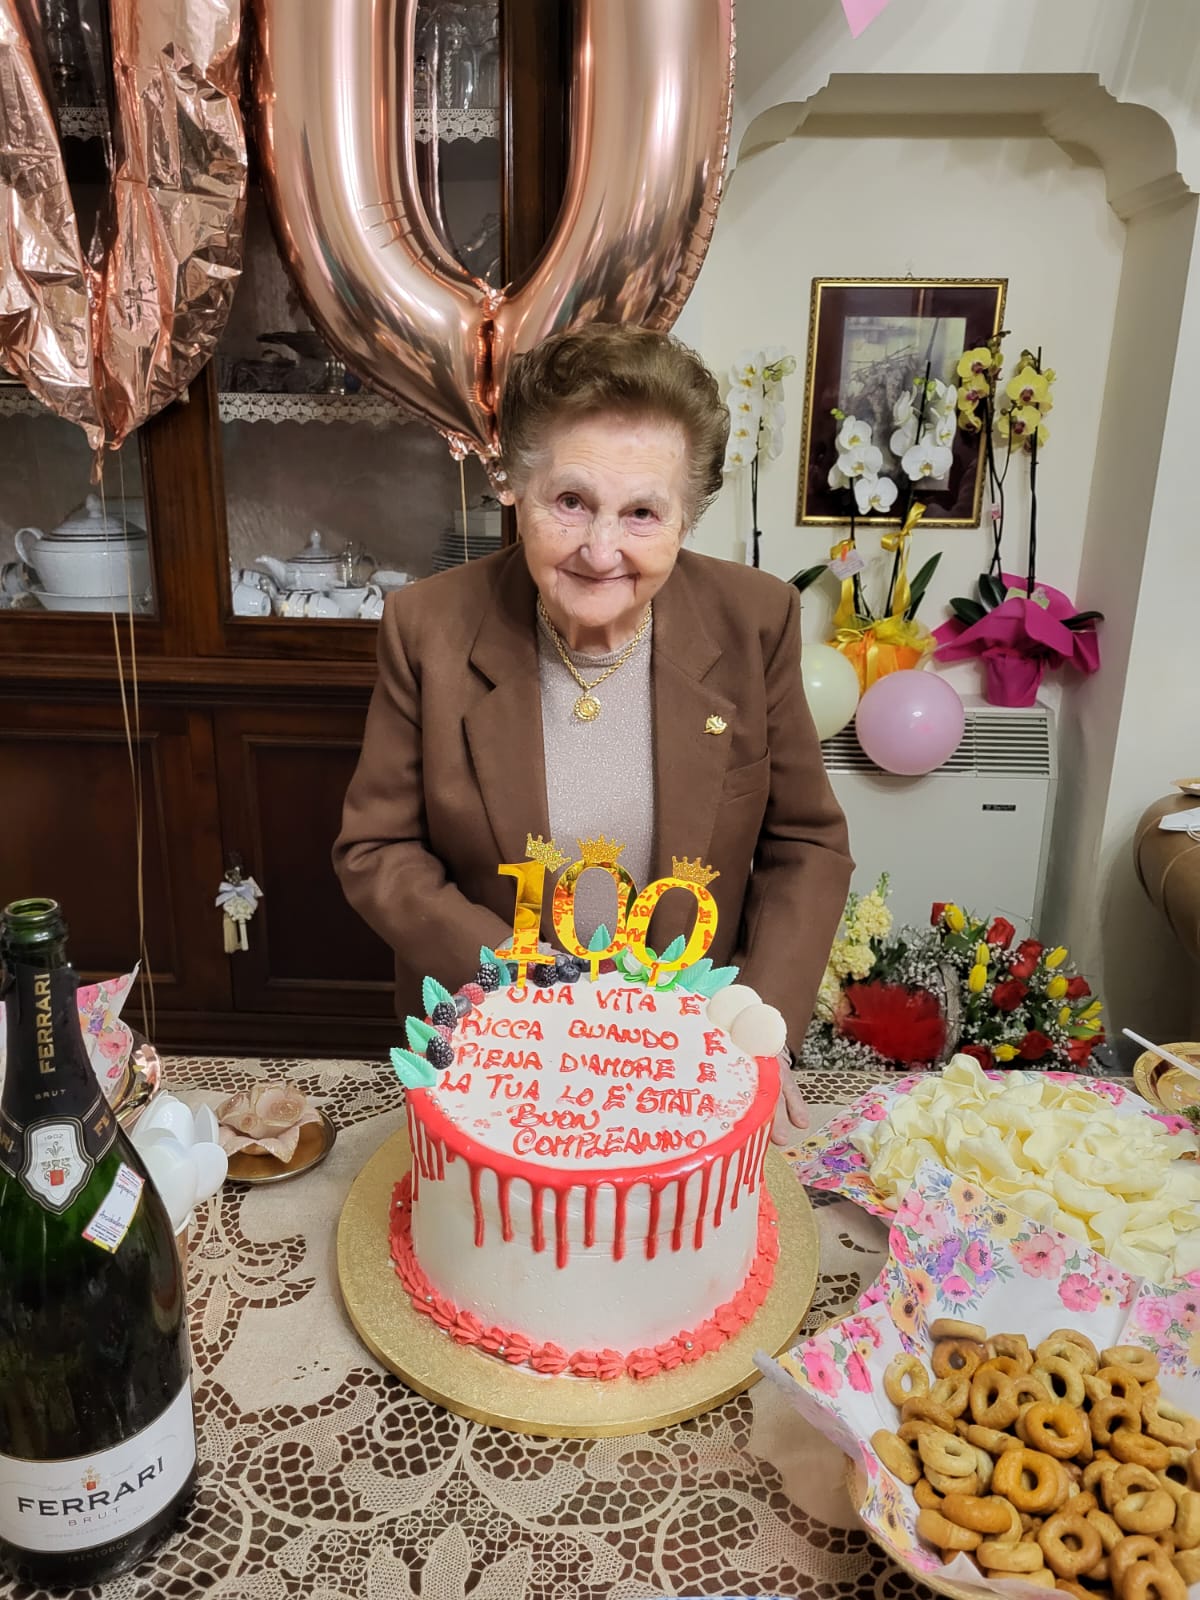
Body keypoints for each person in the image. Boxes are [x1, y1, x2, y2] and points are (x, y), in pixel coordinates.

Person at [334, 323, 853, 1140]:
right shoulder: (428, 627)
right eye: (570, 502)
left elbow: (806, 844)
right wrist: (519, 982)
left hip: (690, 1051)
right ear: (516, 484)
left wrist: (759, 1023)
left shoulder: (755, 621)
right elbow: (377, 849)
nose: (600, 550)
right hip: (499, 1047)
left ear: (688, 516)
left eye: (642, 512)